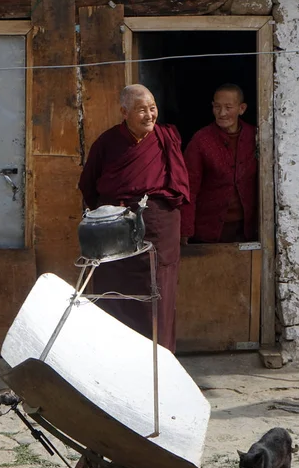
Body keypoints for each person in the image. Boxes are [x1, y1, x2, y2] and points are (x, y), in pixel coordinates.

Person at [78, 84, 189, 354]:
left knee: (158, 290)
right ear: (124, 112)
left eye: (152, 108)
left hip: (158, 228)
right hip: (116, 230)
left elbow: (180, 185)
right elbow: (89, 186)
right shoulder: (106, 144)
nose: (150, 115)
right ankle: (116, 354)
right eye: (141, 110)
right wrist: (114, 212)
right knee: (114, 290)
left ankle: (160, 355)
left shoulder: (166, 138)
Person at [180, 83, 258, 245]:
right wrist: (185, 230)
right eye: (217, 107)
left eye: (228, 107)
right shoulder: (201, 140)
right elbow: (189, 187)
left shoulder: (255, 136)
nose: (222, 113)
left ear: (241, 109)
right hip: (208, 231)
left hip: (247, 231)